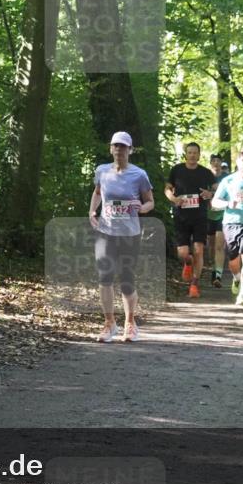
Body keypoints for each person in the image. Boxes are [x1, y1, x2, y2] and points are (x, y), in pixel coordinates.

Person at [90, 131, 155, 341]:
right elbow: (97, 193)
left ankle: (130, 323)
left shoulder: (139, 174)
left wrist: (142, 208)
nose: (119, 149)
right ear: (111, 149)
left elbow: (150, 201)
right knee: (105, 277)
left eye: (123, 146)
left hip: (129, 233)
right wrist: (92, 211)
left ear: (130, 150)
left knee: (127, 279)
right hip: (106, 231)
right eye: (116, 146)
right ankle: (109, 323)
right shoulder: (102, 171)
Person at [211, 150, 243, 306]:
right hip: (230, 223)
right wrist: (228, 203)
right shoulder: (228, 181)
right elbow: (214, 202)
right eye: (242, 161)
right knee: (233, 262)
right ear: (237, 162)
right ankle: (236, 278)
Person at [164, 142, 216, 298]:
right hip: (181, 216)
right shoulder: (177, 170)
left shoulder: (205, 172)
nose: (192, 155)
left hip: (200, 216)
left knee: (199, 250)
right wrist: (174, 199)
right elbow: (167, 189)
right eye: (190, 152)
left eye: (195, 153)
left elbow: (218, 188)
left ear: (199, 155)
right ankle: (187, 262)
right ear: (186, 154)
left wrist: (211, 194)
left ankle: (194, 284)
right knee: (183, 253)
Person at [206, 154, 227, 288]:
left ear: (221, 163)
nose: (216, 163)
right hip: (208, 215)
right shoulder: (205, 176)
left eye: (218, 161)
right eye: (213, 161)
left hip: (223, 214)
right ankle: (213, 265)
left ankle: (217, 274)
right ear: (210, 163)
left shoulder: (226, 178)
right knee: (211, 245)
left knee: (220, 245)